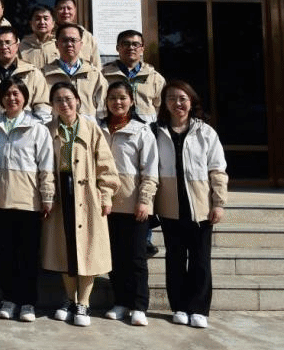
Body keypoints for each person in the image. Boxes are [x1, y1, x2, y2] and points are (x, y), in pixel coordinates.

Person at [42, 82, 119, 327]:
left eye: (68, 98)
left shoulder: (91, 129)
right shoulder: (48, 130)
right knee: (65, 248)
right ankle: (69, 298)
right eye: (58, 100)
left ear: (77, 100)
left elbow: (106, 165)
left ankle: (83, 302)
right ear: (52, 105)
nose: (64, 104)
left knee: (88, 250)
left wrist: (106, 195)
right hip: (61, 193)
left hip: (87, 196)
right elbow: (44, 164)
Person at [153, 80, 228, 329]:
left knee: (200, 260)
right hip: (170, 206)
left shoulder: (205, 132)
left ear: (191, 101)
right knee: (174, 259)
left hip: (200, 206)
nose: (177, 103)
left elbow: (217, 169)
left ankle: (199, 309)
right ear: (165, 103)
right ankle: (179, 307)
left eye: (182, 98)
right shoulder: (156, 132)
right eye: (171, 98)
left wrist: (219, 203)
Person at [0, 78, 54, 323]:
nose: (11, 98)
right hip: (1, 200)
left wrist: (47, 196)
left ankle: (27, 302)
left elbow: (46, 165)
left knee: (28, 255)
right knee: (6, 254)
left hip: (29, 200)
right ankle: (8, 299)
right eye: (7, 94)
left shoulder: (37, 128)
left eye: (16, 93)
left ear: (25, 97)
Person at [100, 80, 158, 326]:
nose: (118, 102)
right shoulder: (99, 129)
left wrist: (144, 200)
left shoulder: (141, 131)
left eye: (123, 98)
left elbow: (150, 170)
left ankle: (139, 305)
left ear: (132, 101)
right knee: (115, 257)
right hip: (106, 204)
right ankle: (121, 302)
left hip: (134, 204)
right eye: (113, 98)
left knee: (135, 258)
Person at [0, 26, 50, 121]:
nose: (4, 47)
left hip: (25, 126)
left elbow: (42, 106)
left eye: (8, 42)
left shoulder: (32, 72)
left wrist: (35, 126)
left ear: (17, 45)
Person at [41, 23, 107, 118]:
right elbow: (41, 106)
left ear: (81, 44)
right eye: (64, 40)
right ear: (56, 44)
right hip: (55, 125)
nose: (69, 44)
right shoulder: (44, 74)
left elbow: (102, 108)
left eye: (73, 40)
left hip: (88, 126)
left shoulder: (94, 74)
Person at [102, 29, 166, 123]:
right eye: (126, 44)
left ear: (142, 48)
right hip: (112, 126)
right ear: (117, 48)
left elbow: (161, 107)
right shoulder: (103, 75)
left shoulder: (155, 78)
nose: (131, 48)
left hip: (146, 128)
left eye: (135, 44)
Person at [53, 0, 101, 68]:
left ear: (75, 10)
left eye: (69, 8)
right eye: (61, 8)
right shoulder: (48, 36)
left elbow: (97, 65)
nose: (66, 12)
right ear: (55, 10)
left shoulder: (87, 37)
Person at [19, 5, 58, 69]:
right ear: (31, 23)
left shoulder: (60, 44)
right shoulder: (22, 46)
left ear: (53, 23)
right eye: (37, 19)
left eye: (45, 19)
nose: (42, 22)